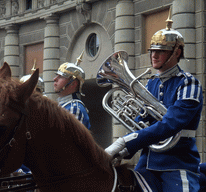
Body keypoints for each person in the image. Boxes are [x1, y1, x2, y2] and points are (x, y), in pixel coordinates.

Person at [104, 12, 203, 191]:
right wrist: (125, 150)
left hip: (178, 163)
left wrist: (127, 141)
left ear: (177, 52)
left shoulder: (188, 82)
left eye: (161, 51)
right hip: (147, 163)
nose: (154, 55)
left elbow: (171, 123)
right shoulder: (151, 83)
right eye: (152, 51)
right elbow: (142, 121)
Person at [53, 51, 91, 130]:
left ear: (73, 84)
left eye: (61, 76)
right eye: (57, 75)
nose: (55, 79)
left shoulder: (74, 108)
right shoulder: (62, 105)